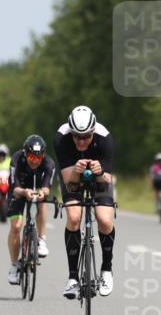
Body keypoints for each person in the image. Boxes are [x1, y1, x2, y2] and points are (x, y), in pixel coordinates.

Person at [54, 105, 116, 298]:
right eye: (77, 137)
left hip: (98, 179)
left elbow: (107, 180)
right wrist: (76, 171)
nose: (81, 141)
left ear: (93, 131)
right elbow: (68, 181)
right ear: (71, 133)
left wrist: (100, 172)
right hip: (72, 178)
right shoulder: (61, 138)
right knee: (73, 217)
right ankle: (73, 278)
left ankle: (106, 270)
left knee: (105, 220)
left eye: (86, 137)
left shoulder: (105, 138)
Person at [6, 135, 56, 284]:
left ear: (43, 155)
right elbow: (15, 187)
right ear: (25, 153)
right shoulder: (16, 159)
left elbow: (47, 188)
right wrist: (24, 192)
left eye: (38, 157)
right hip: (19, 190)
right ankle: (14, 266)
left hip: (37, 188)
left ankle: (41, 240)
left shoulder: (49, 163)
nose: (34, 161)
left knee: (42, 202)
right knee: (16, 227)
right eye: (30, 157)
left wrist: (42, 193)